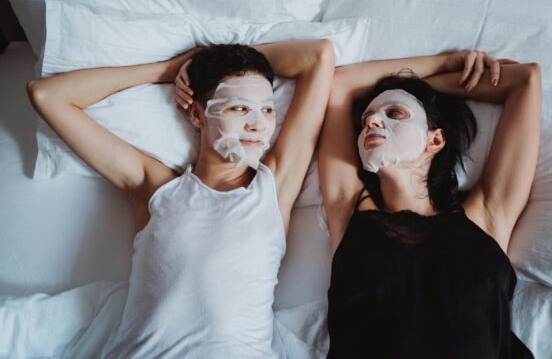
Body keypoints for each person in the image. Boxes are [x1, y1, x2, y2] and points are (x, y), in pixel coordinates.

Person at [27, 39, 335, 358]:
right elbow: (47, 95)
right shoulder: (155, 187)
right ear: (197, 114)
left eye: (268, 110)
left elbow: (319, 56)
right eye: (239, 107)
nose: (258, 124)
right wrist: (168, 70)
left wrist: (205, 59)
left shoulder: (274, 187)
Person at [318, 51, 540, 358]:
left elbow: (525, 80)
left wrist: (424, 87)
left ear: (434, 140)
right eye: (366, 117)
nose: (371, 119)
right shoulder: (350, 211)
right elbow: (339, 85)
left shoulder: (486, 217)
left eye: (395, 113)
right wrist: (443, 64)